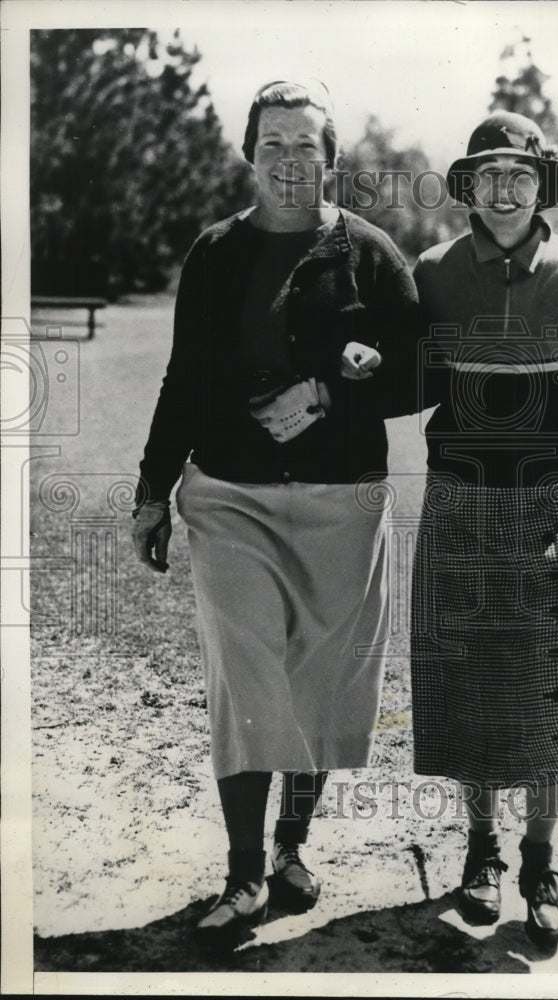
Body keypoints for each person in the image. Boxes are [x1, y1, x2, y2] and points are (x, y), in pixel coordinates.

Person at [132, 78, 418, 951]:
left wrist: (331, 390)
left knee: (322, 683)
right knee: (248, 676)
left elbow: (420, 379)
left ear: (330, 159)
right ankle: (244, 871)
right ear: (249, 156)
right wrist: (152, 492)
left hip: (343, 503)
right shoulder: (215, 253)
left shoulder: (372, 255)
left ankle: (293, 849)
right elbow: (183, 378)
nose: (289, 160)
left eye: (305, 145)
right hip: (229, 498)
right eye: (273, 145)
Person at [409, 110, 558, 948]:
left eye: (518, 174)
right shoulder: (432, 271)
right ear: (467, 187)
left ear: (538, 186)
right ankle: (480, 852)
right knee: (469, 679)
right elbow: (411, 382)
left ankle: (539, 857)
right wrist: (353, 365)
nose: (502, 189)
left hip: (553, 501)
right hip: (459, 502)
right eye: (486, 174)